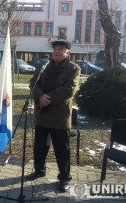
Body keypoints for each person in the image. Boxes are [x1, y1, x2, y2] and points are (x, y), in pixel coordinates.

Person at [27, 39, 81, 192]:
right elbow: (33, 83)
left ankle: (64, 178)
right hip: (42, 114)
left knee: (61, 149)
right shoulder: (43, 66)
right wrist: (39, 97)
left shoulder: (73, 69)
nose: (57, 52)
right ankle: (39, 170)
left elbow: (69, 90)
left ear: (67, 52)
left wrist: (46, 98)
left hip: (59, 116)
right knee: (40, 146)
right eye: (55, 49)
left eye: (61, 49)